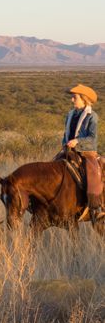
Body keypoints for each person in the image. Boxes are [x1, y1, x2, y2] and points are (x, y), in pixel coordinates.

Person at [62, 84, 103, 225]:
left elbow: (92, 138)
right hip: (68, 151)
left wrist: (77, 142)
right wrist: (65, 144)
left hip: (86, 152)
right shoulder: (69, 115)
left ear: (84, 99)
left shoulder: (92, 116)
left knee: (93, 174)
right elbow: (65, 135)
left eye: (75, 97)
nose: (72, 100)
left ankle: (96, 207)